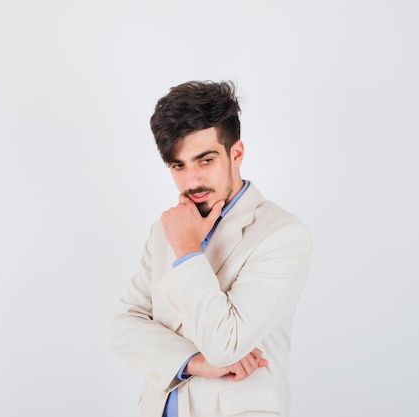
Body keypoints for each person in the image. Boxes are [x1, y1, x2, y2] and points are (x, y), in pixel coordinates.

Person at [111, 80, 312, 417]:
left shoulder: (283, 235)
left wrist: (188, 251)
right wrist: (193, 362)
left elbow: (226, 345)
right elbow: (124, 326)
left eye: (205, 160)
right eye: (179, 165)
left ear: (237, 153)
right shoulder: (164, 232)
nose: (191, 181)